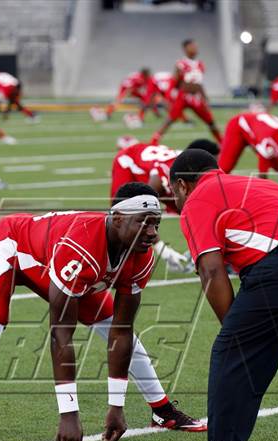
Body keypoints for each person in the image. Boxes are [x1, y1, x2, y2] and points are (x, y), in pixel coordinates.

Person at [0, 183, 206, 441]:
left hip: (53, 260)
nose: (152, 233)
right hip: (5, 248)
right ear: (118, 219)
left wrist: (116, 406)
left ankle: (161, 411)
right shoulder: (81, 246)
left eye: (156, 224)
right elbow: (61, 334)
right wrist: (68, 413)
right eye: (143, 223)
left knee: (116, 327)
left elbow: (121, 330)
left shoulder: (139, 254)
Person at [167, 149, 278, 441]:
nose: (176, 201)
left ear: (182, 184)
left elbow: (211, 269)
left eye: (173, 194)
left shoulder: (199, 197)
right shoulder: (253, 184)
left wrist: (239, 335)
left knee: (232, 357)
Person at [111, 141, 192, 272]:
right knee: (121, 215)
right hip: (128, 161)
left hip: (157, 167)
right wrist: (161, 248)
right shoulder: (161, 179)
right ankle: (117, 258)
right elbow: (146, 212)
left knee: (190, 211)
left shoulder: (189, 171)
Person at [151, 39, 222, 144]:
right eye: (192, 46)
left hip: (196, 97)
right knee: (170, 119)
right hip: (183, 96)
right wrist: (168, 96)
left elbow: (198, 83)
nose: (195, 48)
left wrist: (204, 96)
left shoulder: (200, 64)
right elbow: (175, 81)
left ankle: (222, 141)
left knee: (210, 120)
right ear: (185, 49)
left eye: (195, 46)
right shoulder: (181, 63)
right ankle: (153, 141)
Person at [90, 69, 158, 126]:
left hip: (129, 87)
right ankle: (108, 113)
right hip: (127, 88)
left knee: (145, 99)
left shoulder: (139, 77)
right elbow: (130, 88)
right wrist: (124, 96)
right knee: (120, 100)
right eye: (148, 75)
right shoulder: (140, 79)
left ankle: (141, 117)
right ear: (145, 74)